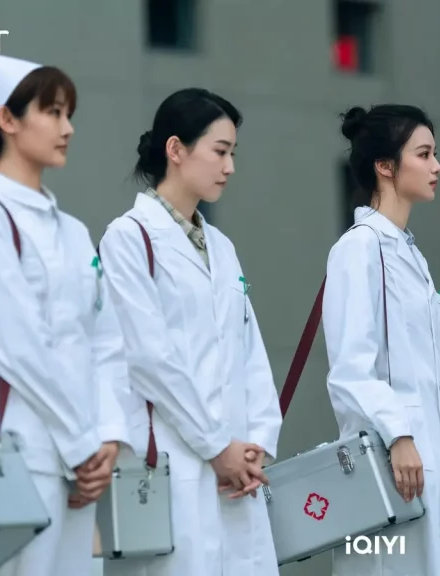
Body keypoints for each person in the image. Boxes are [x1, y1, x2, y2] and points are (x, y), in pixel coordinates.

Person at [0, 54, 134, 576]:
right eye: (52, 112)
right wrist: (85, 443)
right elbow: (18, 346)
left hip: (77, 463)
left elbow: (106, 342)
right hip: (13, 452)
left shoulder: (73, 231)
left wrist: (108, 437)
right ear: (7, 119)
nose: (67, 128)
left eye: (68, 114)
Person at [97, 88, 281, 576]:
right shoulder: (129, 238)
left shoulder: (221, 247)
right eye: (220, 151)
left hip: (237, 472)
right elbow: (149, 359)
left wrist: (257, 445)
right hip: (174, 464)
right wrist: (217, 446)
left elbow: (250, 353)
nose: (230, 167)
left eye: (232, 153)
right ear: (176, 149)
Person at [322, 104, 440, 576]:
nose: (437, 166)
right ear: (385, 166)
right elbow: (350, 368)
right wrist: (399, 434)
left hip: (429, 459)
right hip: (390, 458)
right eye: (423, 155)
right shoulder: (359, 247)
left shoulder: (410, 254)